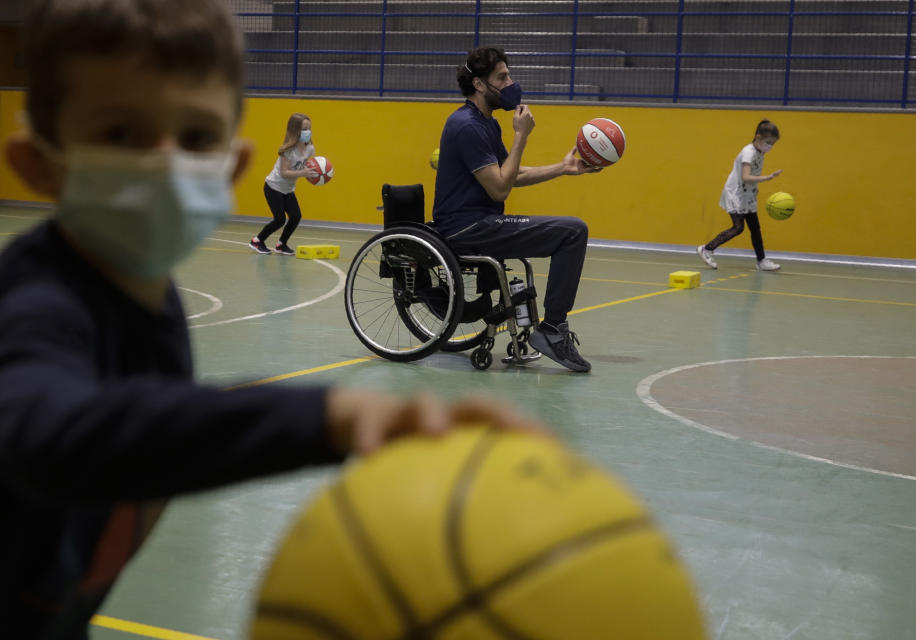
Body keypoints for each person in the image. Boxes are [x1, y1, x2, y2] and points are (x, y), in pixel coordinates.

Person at [0, 2, 546, 638]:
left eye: (197, 138)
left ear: (231, 167)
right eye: (119, 134)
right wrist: (328, 419)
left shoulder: (145, 299)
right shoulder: (40, 307)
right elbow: (50, 433)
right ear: (36, 164)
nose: (163, 162)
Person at [432, 46, 600, 373]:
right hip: (467, 227)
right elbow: (500, 186)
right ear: (479, 84)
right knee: (573, 232)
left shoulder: (485, 123)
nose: (511, 83)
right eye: (502, 77)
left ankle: (551, 329)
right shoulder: (466, 125)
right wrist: (521, 136)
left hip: (484, 221)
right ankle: (552, 329)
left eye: (508, 75)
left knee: (571, 230)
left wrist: (562, 168)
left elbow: (510, 174)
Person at [697, 119, 783, 272]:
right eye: (768, 142)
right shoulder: (748, 153)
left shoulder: (760, 152)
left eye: (773, 144)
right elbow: (746, 177)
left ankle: (761, 261)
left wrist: (755, 190)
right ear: (758, 137)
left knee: (755, 228)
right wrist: (768, 177)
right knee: (738, 227)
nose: (770, 146)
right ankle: (706, 249)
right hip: (736, 194)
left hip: (747, 194)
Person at [250, 112, 318, 255]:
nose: (308, 132)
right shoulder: (288, 150)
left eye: (309, 128)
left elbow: (303, 167)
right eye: (304, 129)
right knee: (280, 219)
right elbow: (284, 172)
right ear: (295, 130)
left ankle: (281, 244)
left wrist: (312, 174)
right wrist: (302, 173)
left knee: (296, 216)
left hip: (288, 189)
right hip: (273, 187)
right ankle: (257, 241)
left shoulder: (309, 149)